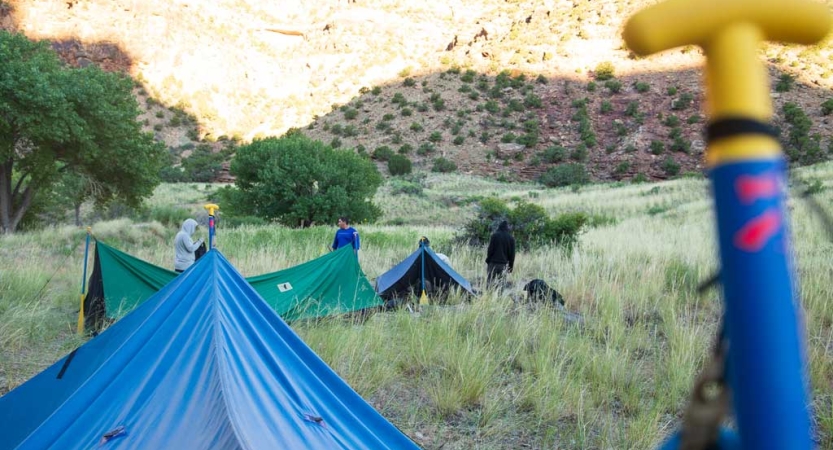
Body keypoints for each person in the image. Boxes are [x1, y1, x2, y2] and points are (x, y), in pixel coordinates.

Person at [486, 220, 515, 286]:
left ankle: (488, 295)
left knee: (489, 282)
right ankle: (500, 296)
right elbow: (512, 255)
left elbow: (490, 250)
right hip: (503, 264)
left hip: (493, 263)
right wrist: (510, 267)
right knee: (501, 284)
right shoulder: (511, 238)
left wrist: (488, 261)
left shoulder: (494, 236)